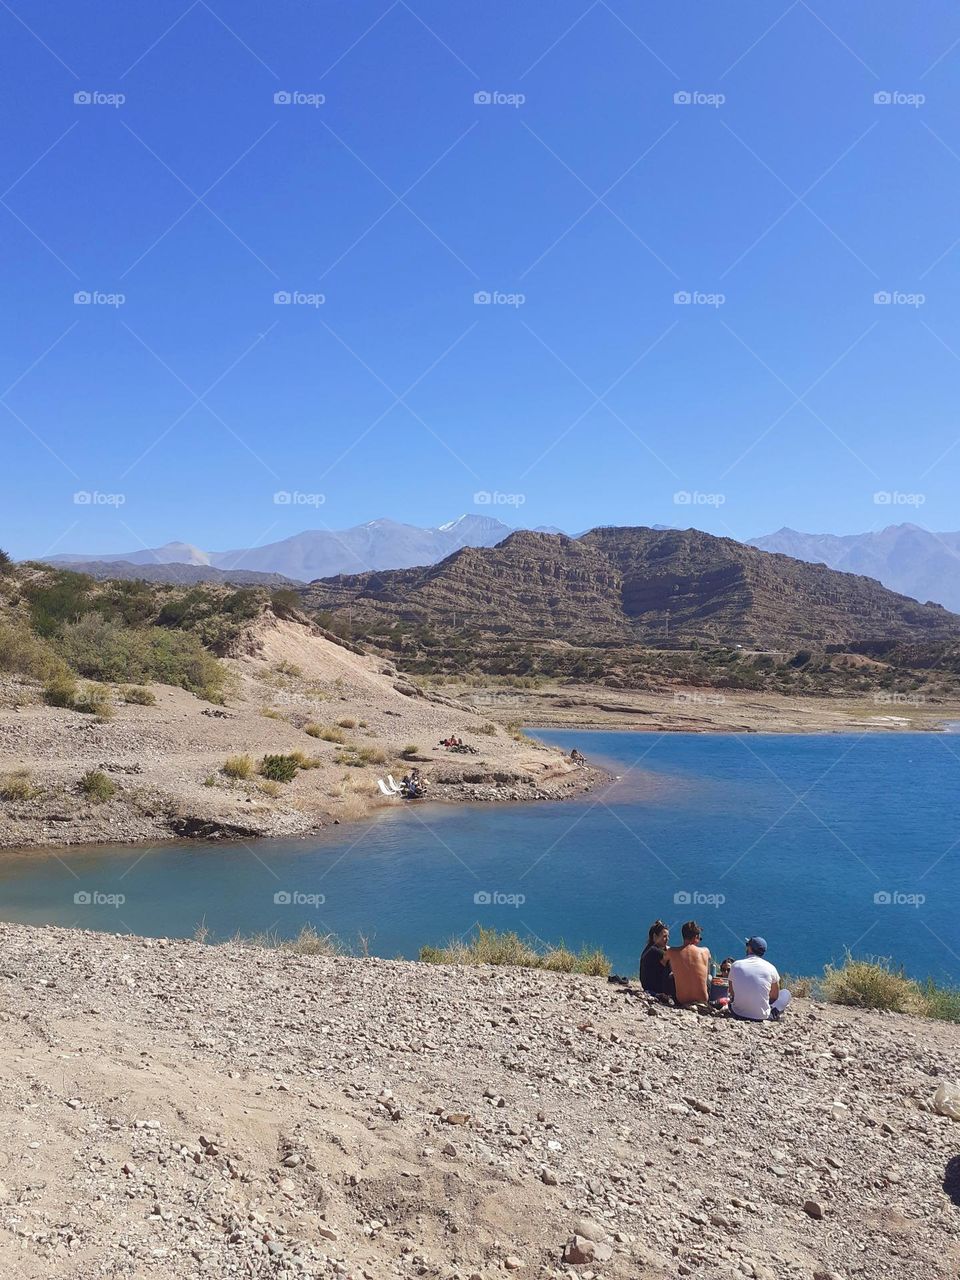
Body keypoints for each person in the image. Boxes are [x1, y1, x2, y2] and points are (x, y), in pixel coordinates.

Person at [728, 936, 792, 1022]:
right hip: (761, 1016)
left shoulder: (736, 965)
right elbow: (774, 996)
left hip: (737, 1013)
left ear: (749, 948)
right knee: (785, 993)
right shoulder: (771, 968)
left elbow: (732, 992)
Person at [664, 921, 711, 1006]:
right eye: (699, 938)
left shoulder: (671, 952)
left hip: (682, 1000)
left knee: (671, 976)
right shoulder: (705, 951)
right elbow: (707, 972)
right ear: (696, 937)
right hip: (703, 999)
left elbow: (663, 962)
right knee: (709, 977)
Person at [640, 920, 674, 999]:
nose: (667, 939)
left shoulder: (649, 949)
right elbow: (673, 964)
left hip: (648, 987)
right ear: (655, 936)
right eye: (664, 936)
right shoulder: (655, 951)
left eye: (668, 936)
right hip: (656, 988)